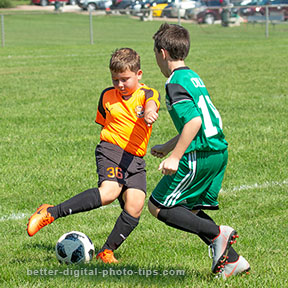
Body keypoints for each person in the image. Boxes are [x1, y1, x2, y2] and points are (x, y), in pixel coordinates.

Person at [26, 48, 160, 264]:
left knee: (135, 206)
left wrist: (151, 111)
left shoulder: (147, 95)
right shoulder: (107, 95)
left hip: (136, 159)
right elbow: (104, 123)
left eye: (125, 79)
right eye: (115, 80)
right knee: (109, 192)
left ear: (139, 74)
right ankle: (50, 212)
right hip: (111, 150)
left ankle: (106, 251)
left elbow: (152, 103)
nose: (120, 85)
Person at [148, 23, 250, 279]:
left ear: (162, 53)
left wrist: (175, 156)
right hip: (217, 151)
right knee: (188, 208)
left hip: (199, 155)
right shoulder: (192, 76)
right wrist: (168, 145)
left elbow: (194, 122)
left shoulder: (174, 84)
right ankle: (234, 262)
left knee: (159, 205)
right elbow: (198, 120)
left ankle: (218, 233)